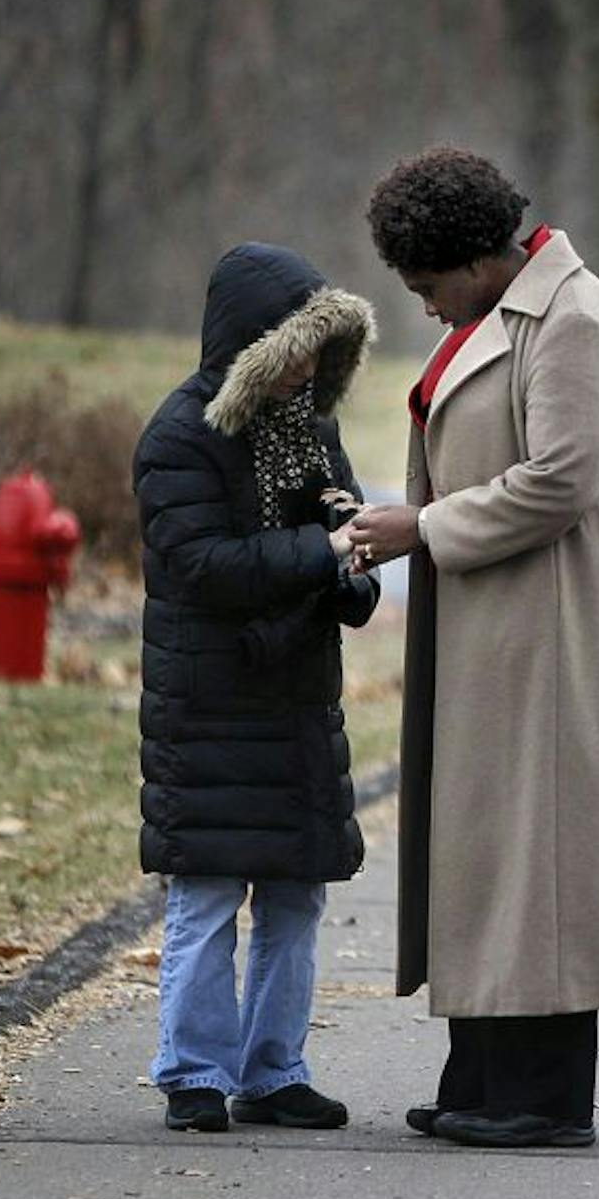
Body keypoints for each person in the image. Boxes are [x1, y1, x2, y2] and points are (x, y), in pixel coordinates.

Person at [348, 146, 599, 1150]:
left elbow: (563, 479)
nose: (425, 306)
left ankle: (541, 1098)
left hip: (558, 618)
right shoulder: (506, 313)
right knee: (489, 839)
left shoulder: (573, 319)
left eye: (429, 286)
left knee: (543, 847)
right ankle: (483, 1076)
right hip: (501, 611)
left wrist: (424, 525)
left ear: (476, 259)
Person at [132, 241, 380, 1133]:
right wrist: (323, 555)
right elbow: (199, 565)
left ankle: (273, 1069)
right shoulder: (179, 435)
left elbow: (347, 543)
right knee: (207, 890)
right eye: (296, 347)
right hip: (210, 703)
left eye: (322, 349)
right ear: (251, 345)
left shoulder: (313, 431)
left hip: (298, 701)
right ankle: (192, 1067)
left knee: (295, 891)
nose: (310, 366)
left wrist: (353, 573)